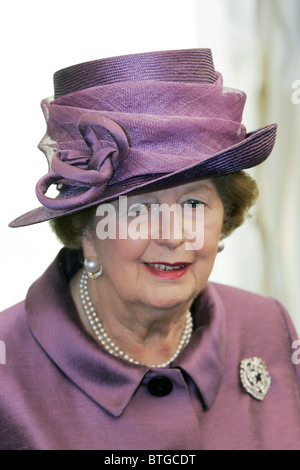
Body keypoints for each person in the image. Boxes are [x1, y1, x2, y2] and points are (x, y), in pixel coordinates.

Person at [0, 49, 299, 451]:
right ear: (86, 227)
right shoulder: (8, 368)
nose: (173, 235)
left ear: (225, 216)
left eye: (194, 204)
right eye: (138, 209)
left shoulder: (268, 326)